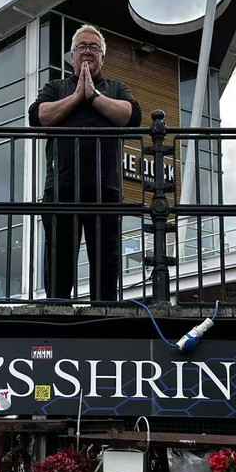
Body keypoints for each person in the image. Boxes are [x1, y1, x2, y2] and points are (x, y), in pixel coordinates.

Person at [29, 24, 142, 302]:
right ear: (72, 56)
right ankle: (57, 311)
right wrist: (77, 96)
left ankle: (103, 312)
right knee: (59, 258)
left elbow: (131, 115)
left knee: (106, 258)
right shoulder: (56, 87)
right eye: (82, 47)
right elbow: (38, 116)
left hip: (105, 189)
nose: (88, 51)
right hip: (62, 188)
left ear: (103, 56)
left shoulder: (116, 87)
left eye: (94, 47)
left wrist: (92, 96)